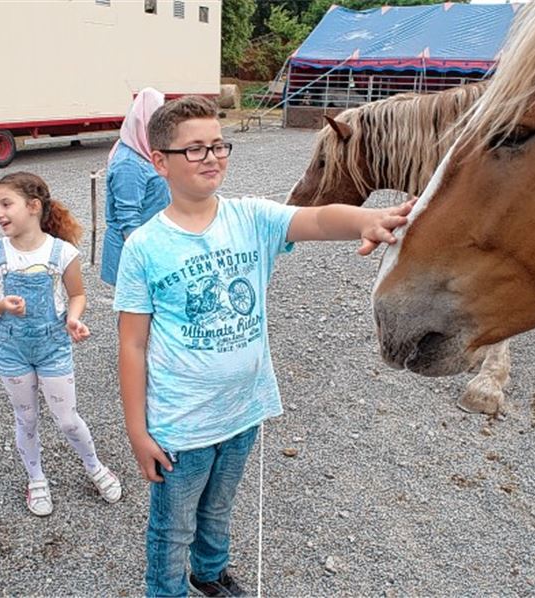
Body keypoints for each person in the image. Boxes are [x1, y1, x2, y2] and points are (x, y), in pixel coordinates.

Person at [114, 96, 413, 597]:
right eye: (194, 149)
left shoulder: (250, 217)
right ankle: (167, 592)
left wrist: (364, 221)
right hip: (179, 428)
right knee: (171, 529)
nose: (211, 157)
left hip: (243, 411)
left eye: (218, 145)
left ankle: (208, 574)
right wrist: (136, 431)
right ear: (159, 161)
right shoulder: (144, 245)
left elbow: (315, 220)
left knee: (219, 509)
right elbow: (132, 344)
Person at [0, 172, 123, 516]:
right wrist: (1, 304)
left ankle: (95, 467)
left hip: (54, 346)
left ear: (33, 207)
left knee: (68, 419)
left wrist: (74, 319)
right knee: (26, 419)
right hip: (11, 350)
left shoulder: (62, 252)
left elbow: (78, 295)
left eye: (6, 204)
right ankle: (36, 478)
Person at [101, 88, 171, 286]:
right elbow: (128, 220)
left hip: (152, 244)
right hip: (134, 253)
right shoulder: (129, 163)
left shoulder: (144, 150)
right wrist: (142, 262)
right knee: (136, 315)